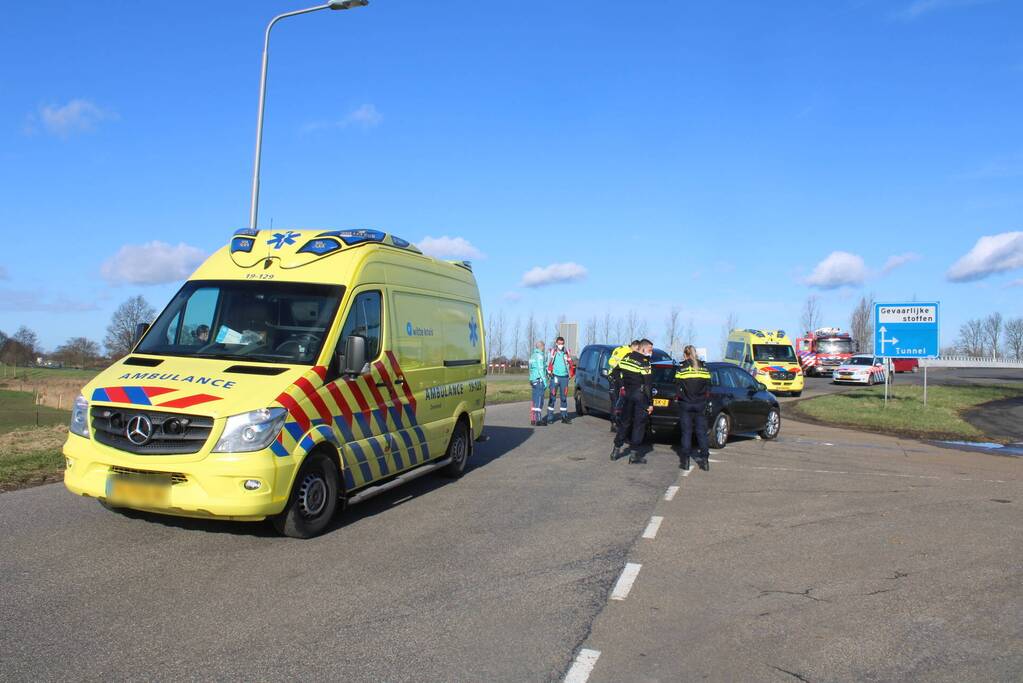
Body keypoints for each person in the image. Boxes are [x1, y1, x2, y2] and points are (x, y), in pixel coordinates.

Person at [610, 338, 654, 464]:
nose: (651, 352)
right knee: (638, 425)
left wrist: (622, 384)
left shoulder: (627, 357)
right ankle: (634, 455)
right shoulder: (645, 362)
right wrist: (650, 403)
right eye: (650, 350)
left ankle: (616, 450)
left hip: (627, 395)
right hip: (640, 396)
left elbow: (615, 372)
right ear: (643, 348)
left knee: (625, 423)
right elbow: (647, 385)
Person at [675, 344, 712, 471]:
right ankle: (705, 460)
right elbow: (709, 385)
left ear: (685, 355)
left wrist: (680, 398)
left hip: (686, 404)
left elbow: (677, 386)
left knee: (686, 433)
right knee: (702, 433)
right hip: (700, 404)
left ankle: (685, 461)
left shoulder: (682, 368)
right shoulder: (704, 368)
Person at [607, 340, 639, 432]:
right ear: (633, 346)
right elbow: (611, 361)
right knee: (615, 401)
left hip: (624, 380)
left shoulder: (632, 353)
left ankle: (620, 422)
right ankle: (614, 423)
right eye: (637, 349)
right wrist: (621, 367)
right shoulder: (621, 350)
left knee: (623, 402)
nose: (637, 351)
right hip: (615, 378)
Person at [546, 336, 575, 424]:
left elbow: (571, 364)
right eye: (559, 344)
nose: (561, 345)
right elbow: (548, 363)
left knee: (564, 398)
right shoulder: (552, 352)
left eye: (562, 344)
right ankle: (550, 417)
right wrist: (549, 373)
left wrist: (570, 374)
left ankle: (564, 417)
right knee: (552, 397)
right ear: (556, 343)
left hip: (564, 378)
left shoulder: (566, 353)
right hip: (554, 377)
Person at [528, 341, 549, 426]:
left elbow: (530, 369)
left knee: (534, 399)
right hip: (539, 380)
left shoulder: (532, 356)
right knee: (540, 400)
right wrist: (545, 381)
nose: (544, 348)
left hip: (533, 380)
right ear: (541, 346)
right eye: (543, 347)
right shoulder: (540, 356)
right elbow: (541, 369)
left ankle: (533, 419)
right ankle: (539, 419)